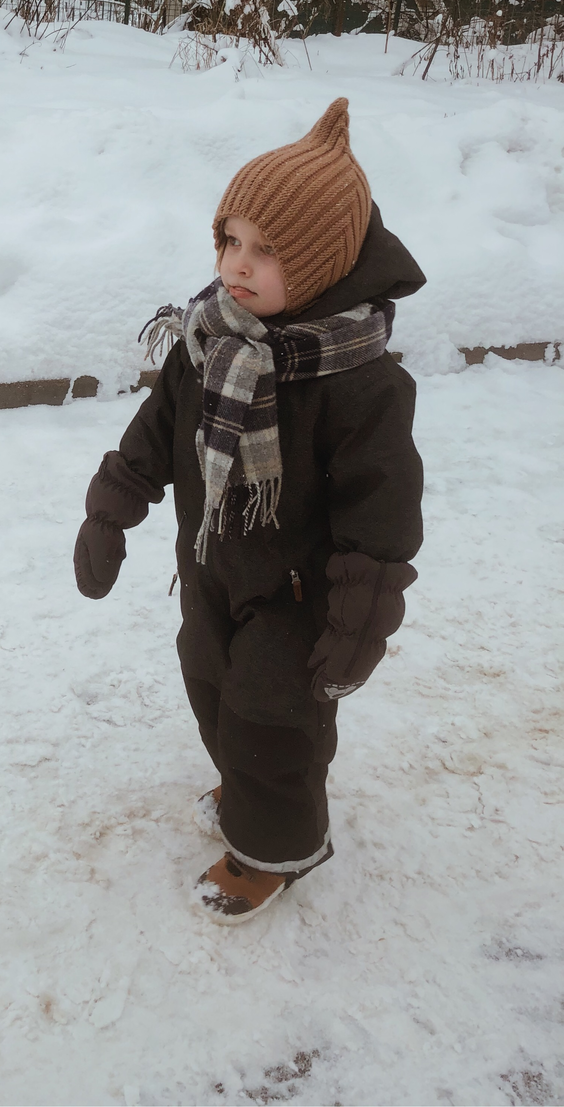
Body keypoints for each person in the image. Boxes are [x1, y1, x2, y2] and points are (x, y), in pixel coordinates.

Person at [73, 98, 425, 924]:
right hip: (209, 570)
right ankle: (245, 787)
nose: (237, 263)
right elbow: (156, 431)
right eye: (229, 239)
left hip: (299, 597)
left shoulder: (360, 382)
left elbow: (382, 509)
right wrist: (111, 509)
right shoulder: (210, 341)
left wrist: (358, 618)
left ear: (325, 263)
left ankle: (274, 850)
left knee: (273, 714)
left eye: (267, 250)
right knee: (208, 681)